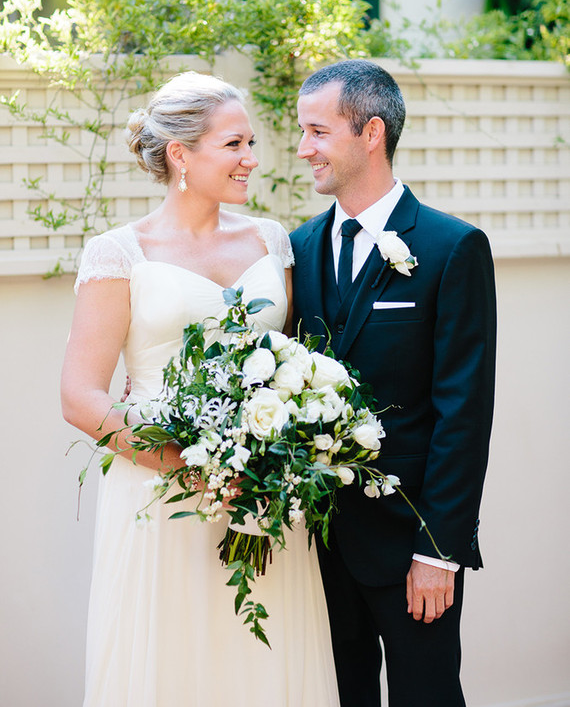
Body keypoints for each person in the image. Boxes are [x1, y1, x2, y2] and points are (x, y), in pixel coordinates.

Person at [61, 71, 340, 707]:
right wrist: (190, 466)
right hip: (161, 493)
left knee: (261, 660)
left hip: (261, 497)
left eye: (250, 144)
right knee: (173, 658)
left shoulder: (270, 240)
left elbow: (290, 363)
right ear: (180, 154)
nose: (251, 159)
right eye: (233, 144)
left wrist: (282, 448)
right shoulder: (119, 253)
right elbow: (80, 396)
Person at [290, 59, 496, 707]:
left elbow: (464, 412)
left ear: (371, 132)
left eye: (318, 131)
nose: (303, 148)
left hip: (411, 548)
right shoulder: (297, 249)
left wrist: (438, 552)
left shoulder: (451, 247)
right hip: (319, 545)